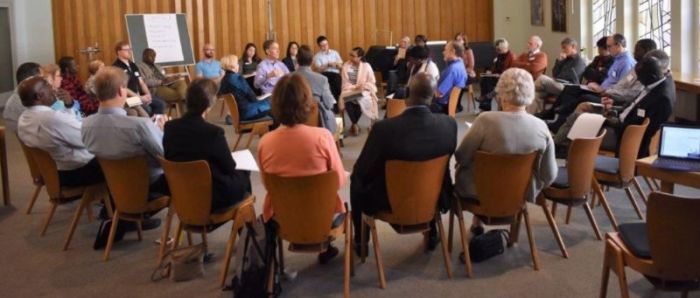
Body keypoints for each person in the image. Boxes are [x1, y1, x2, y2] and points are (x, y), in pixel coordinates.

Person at [454, 68, 557, 261]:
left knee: (474, 170)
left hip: (478, 193)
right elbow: (549, 174)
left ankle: (477, 222)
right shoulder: (541, 127)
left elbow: (462, 157)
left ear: (502, 94)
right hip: (519, 194)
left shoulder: (486, 120)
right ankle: (485, 222)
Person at [350, 73, 457, 253]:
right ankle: (432, 233)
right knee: (431, 174)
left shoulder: (384, 129)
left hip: (390, 202)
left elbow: (361, 172)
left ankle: (361, 241)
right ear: (432, 97)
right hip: (433, 199)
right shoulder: (449, 125)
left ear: (406, 93)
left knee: (356, 180)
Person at [257, 73, 346, 264]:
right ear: (307, 102)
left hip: (283, 217)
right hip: (323, 217)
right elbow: (338, 181)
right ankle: (327, 246)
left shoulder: (265, 142)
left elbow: (267, 184)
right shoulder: (323, 137)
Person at [554, 50, 674, 158]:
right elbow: (634, 106)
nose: (639, 81)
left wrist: (611, 119)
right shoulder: (656, 83)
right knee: (583, 107)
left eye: (641, 79)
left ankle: (567, 150)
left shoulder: (662, 98)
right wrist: (616, 109)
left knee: (579, 118)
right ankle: (561, 145)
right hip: (620, 118)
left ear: (652, 75)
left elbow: (641, 130)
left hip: (623, 136)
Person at [81, 66, 169, 203]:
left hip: (113, 184)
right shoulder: (139, 125)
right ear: (121, 91)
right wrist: (164, 132)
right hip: (147, 186)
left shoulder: (86, 124)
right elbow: (166, 156)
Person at [163, 78, 252, 213]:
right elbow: (229, 167)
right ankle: (247, 227)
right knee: (244, 172)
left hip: (182, 194)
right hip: (211, 198)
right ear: (210, 104)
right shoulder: (213, 133)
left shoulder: (169, 127)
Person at [544, 38, 656, 131]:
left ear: (618, 45)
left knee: (583, 98)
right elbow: (588, 72)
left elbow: (629, 92)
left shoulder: (627, 63)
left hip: (610, 96)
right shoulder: (617, 60)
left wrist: (605, 91)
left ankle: (563, 125)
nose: (634, 51)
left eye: (610, 46)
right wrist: (602, 86)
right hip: (605, 90)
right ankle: (557, 117)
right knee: (571, 89)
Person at [17, 76, 104, 188]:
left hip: (51, 173)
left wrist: (69, 106)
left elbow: (67, 127)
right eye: (47, 86)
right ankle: (116, 202)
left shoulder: (24, 118)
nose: (53, 89)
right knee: (117, 162)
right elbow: (87, 139)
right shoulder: (52, 119)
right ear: (39, 96)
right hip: (74, 172)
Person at [530, 37, 586, 113]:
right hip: (559, 83)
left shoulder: (579, 61)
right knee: (538, 93)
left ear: (573, 47)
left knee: (541, 78)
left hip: (568, 87)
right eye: (562, 48)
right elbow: (555, 73)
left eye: (565, 48)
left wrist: (558, 76)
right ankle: (536, 115)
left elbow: (568, 76)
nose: (563, 50)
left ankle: (529, 91)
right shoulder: (565, 59)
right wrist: (559, 61)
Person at [112, 41, 166, 116]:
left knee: (161, 104)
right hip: (127, 99)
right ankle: (149, 125)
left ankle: (155, 124)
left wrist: (148, 95)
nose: (129, 52)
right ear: (119, 52)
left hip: (139, 95)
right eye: (126, 50)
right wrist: (139, 97)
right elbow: (123, 88)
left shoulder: (133, 65)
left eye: (130, 49)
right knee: (147, 109)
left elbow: (142, 82)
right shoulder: (116, 67)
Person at [295, 45, 337, 133]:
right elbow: (329, 104)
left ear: (297, 59)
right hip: (317, 123)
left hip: (293, 121)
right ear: (312, 60)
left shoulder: (287, 78)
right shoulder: (321, 79)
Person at [219, 55, 271, 122]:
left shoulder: (224, 80)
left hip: (239, 113)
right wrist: (262, 98)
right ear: (232, 66)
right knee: (273, 102)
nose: (238, 65)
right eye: (237, 63)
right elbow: (253, 98)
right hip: (247, 112)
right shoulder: (238, 78)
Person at [340, 47, 379, 136]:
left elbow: (372, 81)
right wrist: (353, 88)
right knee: (348, 100)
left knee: (362, 99)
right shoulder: (346, 66)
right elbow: (345, 82)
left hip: (363, 90)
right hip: (349, 89)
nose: (351, 58)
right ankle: (355, 124)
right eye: (350, 55)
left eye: (353, 56)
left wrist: (364, 86)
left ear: (360, 57)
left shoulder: (366, 66)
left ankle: (354, 124)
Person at [478, 38, 516, 112]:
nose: (497, 51)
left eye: (499, 49)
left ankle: (485, 103)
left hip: (504, 78)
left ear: (504, 48)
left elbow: (511, 71)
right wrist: (491, 72)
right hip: (496, 76)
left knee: (487, 81)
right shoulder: (499, 55)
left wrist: (500, 75)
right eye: (497, 49)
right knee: (484, 79)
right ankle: (485, 102)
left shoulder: (511, 57)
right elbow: (495, 66)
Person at [3, 62, 43, 133]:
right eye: (41, 79)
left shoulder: (24, 94)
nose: (44, 82)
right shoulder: (24, 100)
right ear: (29, 80)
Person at [431, 41, 467, 114]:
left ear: (453, 51)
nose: (443, 52)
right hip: (447, 104)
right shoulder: (460, 64)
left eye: (445, 49)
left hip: (440, 106)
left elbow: (439, 93)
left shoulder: (452, 69)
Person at [313, 36, 343, 102]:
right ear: (319, 46)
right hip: (325, 75)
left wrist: (336, 64)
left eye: (326, 44)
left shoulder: (335, 53)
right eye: (323, 45)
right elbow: (318, 70)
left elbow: (341, 65)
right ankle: (338, 100)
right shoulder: (317, 56)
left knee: (334, 83)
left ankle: (338, 102)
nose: (325, 46)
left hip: (336, 74)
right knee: (332, 81)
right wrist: (328, 65)